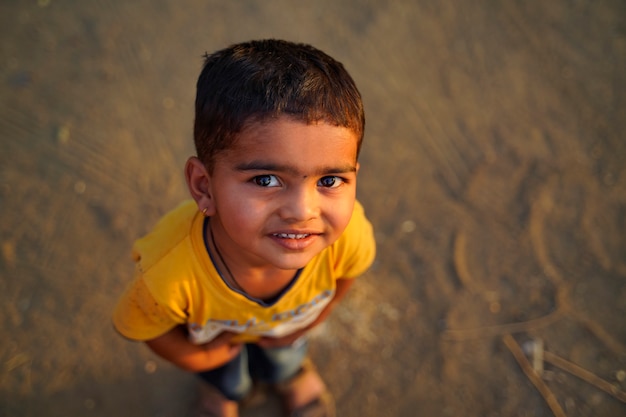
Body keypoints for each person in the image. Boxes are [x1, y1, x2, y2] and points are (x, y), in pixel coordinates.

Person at [113, 39, 376, 417]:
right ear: (204, 186)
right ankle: (221, 395)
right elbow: (143, 326)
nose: (303, 211)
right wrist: (196, 358)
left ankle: (291, 377)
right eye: (266, 180)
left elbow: (349, 274)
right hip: (218, 346)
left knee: (285, 359)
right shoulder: (167, 273)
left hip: (288, 330)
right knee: (227, 377)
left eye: (330, 181)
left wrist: (317, 317)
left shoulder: (347, 237)